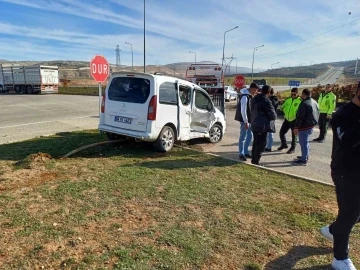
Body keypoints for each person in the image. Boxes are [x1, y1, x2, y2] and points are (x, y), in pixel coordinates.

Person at [319, 82, 360, 270]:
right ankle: (340, 258)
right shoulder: (343, 114)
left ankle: (333, 230)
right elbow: (348, 141)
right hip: (345, 172)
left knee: (354, 214)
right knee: (349, 213)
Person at [250, 85, 277, 165]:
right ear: (269, 92)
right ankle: (256, 161)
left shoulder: (255, 98)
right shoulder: (266, 100)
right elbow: (273, 115)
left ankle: (253, 159)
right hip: (262, 126)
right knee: (262, 143)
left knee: (256, 142)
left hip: (254, 123)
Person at [293, 89, 319, 165]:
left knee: (303, 142)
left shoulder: (304, 103)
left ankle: (304, 159)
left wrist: (296, 127)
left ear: (303, 94)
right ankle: (305, 155)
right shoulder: (314, 102)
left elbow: (300, 117)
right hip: (311, 124)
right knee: (306, 142)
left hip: (304, 126)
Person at [235, 83, 259, 161]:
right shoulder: (245, 97)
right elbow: (243, 110)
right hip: (244, 120)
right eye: (256, 90)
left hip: (249, 120)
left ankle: (246, 152)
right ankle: (241, 154)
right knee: (243, 136)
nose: (256, 91)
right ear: (252, 89)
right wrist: (246, 122)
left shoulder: (249, 96)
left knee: (250, 135)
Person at [277, 88, 302, 154]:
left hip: (294, 120)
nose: (293, 95)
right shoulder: (288, 100)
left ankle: (292, 148)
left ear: (297, 94)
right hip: (287, 119)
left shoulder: (300, 101)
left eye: (294, 94)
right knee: (281, 133)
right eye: (292, 94)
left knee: (294, 135)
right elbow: (282, 107)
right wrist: (281, 107)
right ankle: (284, 144)